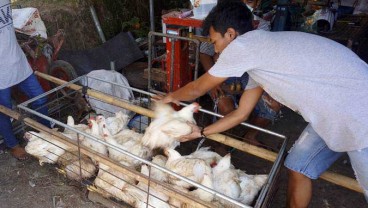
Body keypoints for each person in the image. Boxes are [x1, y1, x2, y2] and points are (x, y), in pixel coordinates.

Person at [156, 1, 368, 206]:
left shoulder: (244, 47)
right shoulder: (261, 56)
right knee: (298, 166)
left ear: (230, 34)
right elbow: (241, 114)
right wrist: (201, 132)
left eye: (215, 43)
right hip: (331, 114)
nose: (217, 52)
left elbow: (197, 89)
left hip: (358, 114)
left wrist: (169, 97)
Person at [199, 0, 281, 147]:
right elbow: (205, 53)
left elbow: (261, 63)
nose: (251, 4)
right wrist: (212, 82)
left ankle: (250, 136)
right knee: (227, 108)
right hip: (222, 74)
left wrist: (267, 87)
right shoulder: (219, 26)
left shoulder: (261, 26)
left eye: (253, 1)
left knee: (273, 104)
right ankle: (219, 144)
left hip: (250, 76)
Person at [0, 0, 50, 160]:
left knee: (40, 98)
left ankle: (47, 132)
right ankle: (13, 145)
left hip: (17, 61)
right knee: (4, 111)